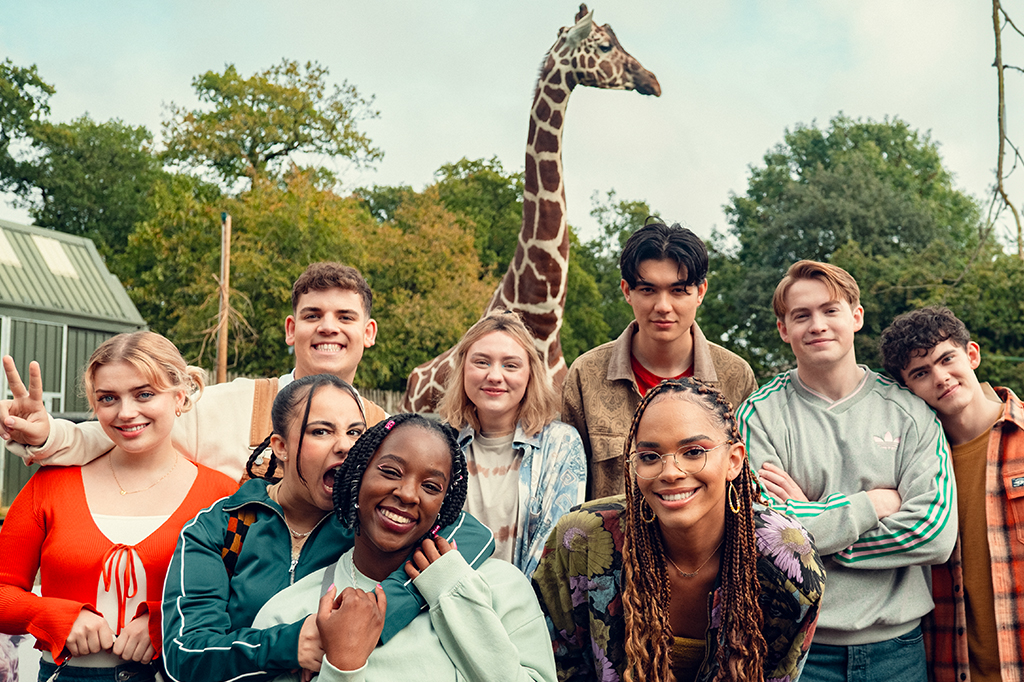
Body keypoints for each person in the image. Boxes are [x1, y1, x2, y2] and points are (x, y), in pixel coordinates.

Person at [162, 376, 494, 682]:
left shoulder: (366, 519)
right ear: (280, 445)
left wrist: (373, 618)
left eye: (355, 433)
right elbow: (184, 653)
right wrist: (292, 644)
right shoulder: (221, 527)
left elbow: (472, 533)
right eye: (321, 431)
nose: (345, 446)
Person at [737, 260, 957, 682]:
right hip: (798, 650)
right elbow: (761, 535)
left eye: (829, 310)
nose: (817, 324)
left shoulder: (911, 412)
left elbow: (934, 534)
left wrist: (815, 528)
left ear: (856, 317)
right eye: (801, 315)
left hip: (898, 651)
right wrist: (871, 504)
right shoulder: (759, 416)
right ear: (784, 330)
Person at [532, 377, 824, 682]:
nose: (670, 472)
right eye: (649, 457)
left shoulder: (787, 560)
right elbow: (558, 668)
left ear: (734, 461)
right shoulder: (582, 541)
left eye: (694, 452)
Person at [1, 262, 386, 481]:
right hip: (220, 608)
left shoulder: (384, 432)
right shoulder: (229, 406)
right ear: (291, 329)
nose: (328, 327)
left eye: (345, 317)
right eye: (313, 315)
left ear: (367, 333)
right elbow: (120, 432)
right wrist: (46, 434)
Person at [0, 332, 238, 682]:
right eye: (108, 398)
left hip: (168, 674)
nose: (126, 413)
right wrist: (54, 616)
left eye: (144, 394)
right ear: (94, 406)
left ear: (180, 396)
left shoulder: (222, 495)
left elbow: (242, 594)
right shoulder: (50, 484)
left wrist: (164, 622)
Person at [250, 413, 557, 681]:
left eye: (431, 486)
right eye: (390, 471)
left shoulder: (503, 586)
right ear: (357, 476)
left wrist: (456, 594)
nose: (409, 494)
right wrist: (343, 665)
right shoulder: (290, 617)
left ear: (444, 505)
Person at [561, 220, 757, 499]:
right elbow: (567, 488)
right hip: (613, 540)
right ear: (627, 291)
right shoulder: (586, 374)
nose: (663, 306)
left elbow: (744, 483)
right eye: (648, 290)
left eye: (678, 291)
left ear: (700, 292)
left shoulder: (735, 376)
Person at [880, 306, 1024, 682]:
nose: (941, 378)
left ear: (972, 354)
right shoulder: (909, 468)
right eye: (921, 373)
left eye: (947, 359)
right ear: (908, 389)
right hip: (950, 667)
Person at [436, 310, 586, 576]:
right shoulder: (439, 444)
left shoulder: (560, 445)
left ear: (530, 373)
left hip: (527, 609)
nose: (494, 376)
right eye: (481, 362)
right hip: (449, 602)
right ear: (463, 369)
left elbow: (555, 549)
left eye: (510, 365)